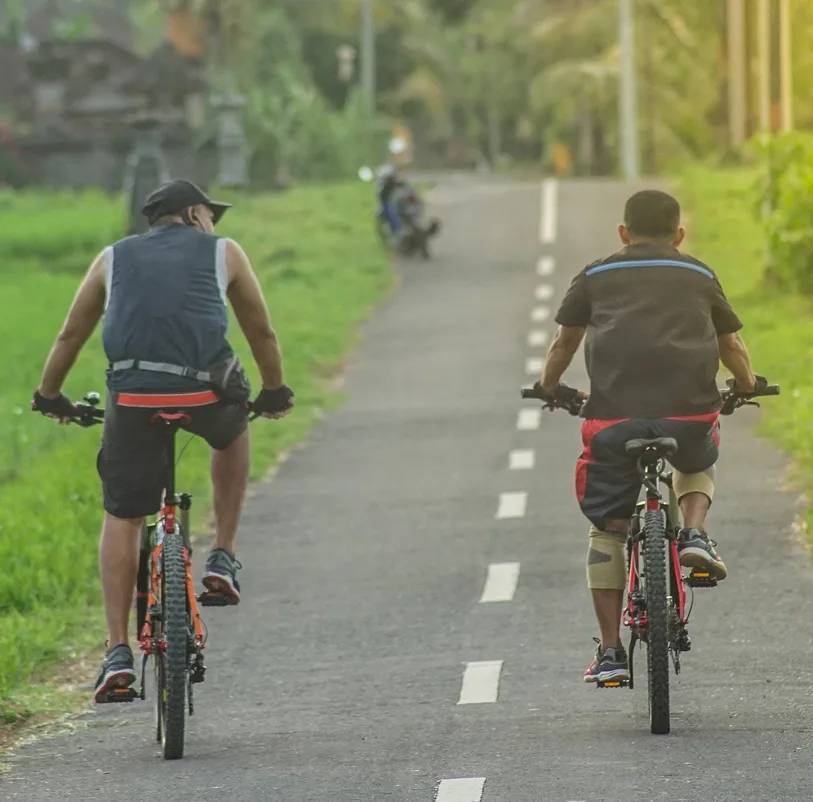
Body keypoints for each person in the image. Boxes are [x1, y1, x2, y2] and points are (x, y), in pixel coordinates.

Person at [31, 179, 294, 702]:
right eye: (211, 214)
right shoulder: (225, 250)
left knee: (124, 515)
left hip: (131, 400)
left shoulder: (113, 257)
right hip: (206, 391)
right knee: (233, 427)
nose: (214, 223)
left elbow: (70, 334)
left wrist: (50, 396)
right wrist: (273, 392)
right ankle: (222, 554)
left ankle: (117, 652)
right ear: (195, 214)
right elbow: (261, 332)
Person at [535, 189, 763, 685]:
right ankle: (695, 534)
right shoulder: (699, 274)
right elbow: (731, 344)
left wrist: (550, 388)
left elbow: (564, 341)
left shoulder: (595, 275)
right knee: (698, 457)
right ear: (679, 235)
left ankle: (612, 652)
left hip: (614, 421)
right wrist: (746, 386)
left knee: (608, 530)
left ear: (623, 233)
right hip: (689, 417)